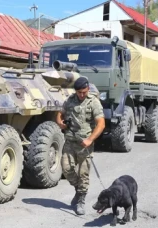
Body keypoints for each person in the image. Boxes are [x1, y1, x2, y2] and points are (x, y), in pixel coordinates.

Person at [56, 76, 105, 215]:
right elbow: (60, 114)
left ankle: (81, 199)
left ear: (88, 89)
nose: (82, 95)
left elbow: (101, 123)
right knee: (66, 169)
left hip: (85, 144)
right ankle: (79, 190)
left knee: (83, 173)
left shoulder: (93, 102)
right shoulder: (70, 100)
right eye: (79, 92)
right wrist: (60, 122)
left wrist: (90, 139)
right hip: (70, 141)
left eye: (84, 92)